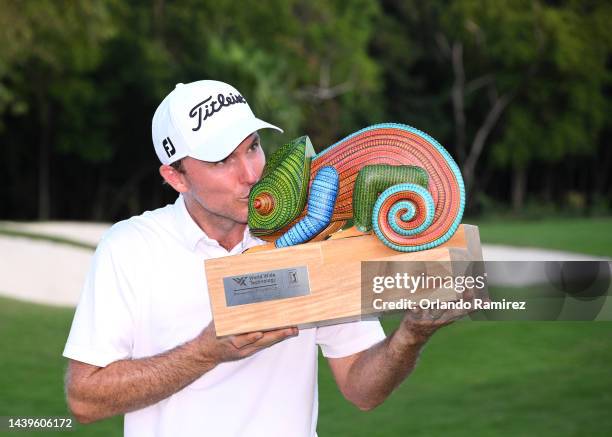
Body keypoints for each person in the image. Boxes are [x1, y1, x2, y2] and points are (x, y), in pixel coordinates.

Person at [63, 80, 468, 437]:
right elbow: (85, 399)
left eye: (253, 147)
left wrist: (411, 335)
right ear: (176, 177)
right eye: (222, 160)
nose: (252, 173)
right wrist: (208, 351)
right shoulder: (131, 247)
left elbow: (362, 389)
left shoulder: (316, 232)